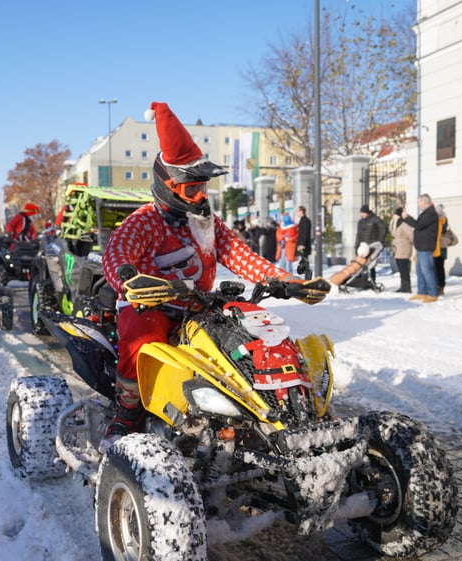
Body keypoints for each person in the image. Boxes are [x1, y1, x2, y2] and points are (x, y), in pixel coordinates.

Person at [100, 101, 330, 444]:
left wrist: (289, 282)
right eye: (192, 189)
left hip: (200, 305)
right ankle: (128, 411)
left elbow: (240, 255)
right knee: (142, 337)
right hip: (152, 305)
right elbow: (117, 252)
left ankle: (275, 405)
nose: (200, 196)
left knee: (251, 330)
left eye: (203, 188)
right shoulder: (144, 221)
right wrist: (131, 281)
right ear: (168, 185)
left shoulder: (207, 223)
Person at [401, 194, 439, 303]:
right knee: (419, 271)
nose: (418, 205)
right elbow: (419, 226)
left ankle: (432, 293)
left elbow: (418, 225)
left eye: (419, 202)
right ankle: (421, 292)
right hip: (421, 246)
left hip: (426, 247)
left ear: (424, 202)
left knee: (427, 270)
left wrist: (407, 217)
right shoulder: (425, 213)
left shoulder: (430, 213)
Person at [355, 205, 387, 284]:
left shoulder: (375, 219)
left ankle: (373, 281)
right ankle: (363, 281)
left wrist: (380, 241)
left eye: (363, 213)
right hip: (362, 247)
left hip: (372, 246)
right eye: (361, 213)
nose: (362, 214)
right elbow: (358, 235)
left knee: (371, 265)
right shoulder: (360, 222)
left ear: (367, 213)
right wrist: (356, 246)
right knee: (361, 264)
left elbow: (384, 228)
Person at [389, 207, 414, 293]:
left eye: (395, 214)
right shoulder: (396, 224)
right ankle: (403, 286)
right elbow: (393, 233)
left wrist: (406, 242)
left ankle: (407, 288)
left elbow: (411, 236)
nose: (393, 216)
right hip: (397, 249)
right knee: (401, 269)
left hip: (404, 248)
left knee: (404, 269)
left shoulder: (404, 224)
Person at [434, 204, 450, 295]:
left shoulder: (442, 219)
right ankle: (439, 286)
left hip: (440, 248)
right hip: (439, 248)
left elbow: (440, 231)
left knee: (438, 268)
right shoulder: (442, 219)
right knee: (438, 268)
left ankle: (440, 287)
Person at [295, 205, 312, 276]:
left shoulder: (305, 221)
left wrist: (302, 244)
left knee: (305, 261)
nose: (296, 213)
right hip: (302, 244)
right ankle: (306, 275)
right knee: (303, 260)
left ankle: (307, 276)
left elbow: (305, 233)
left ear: (301, 211)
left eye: (297, 211)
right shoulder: (302, 220)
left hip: (304, 245)